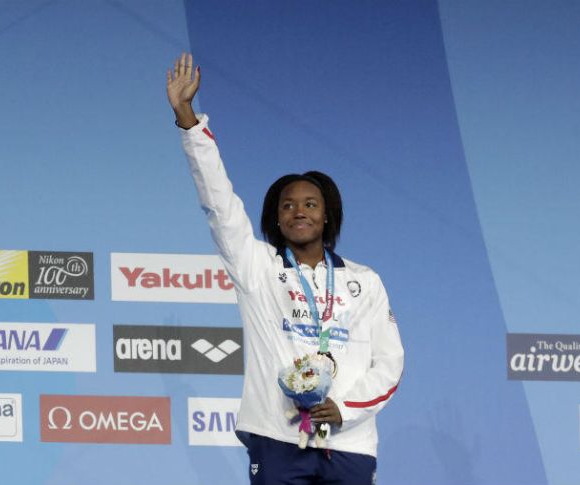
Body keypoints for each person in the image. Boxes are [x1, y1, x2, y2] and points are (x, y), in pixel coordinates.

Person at [166, 52, 404, 485]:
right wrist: (188, 121)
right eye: (287, 205)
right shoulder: (256, 266)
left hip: (348, 441)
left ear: (327, 214)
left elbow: (389, 361)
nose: (299, 212)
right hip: (277, 435)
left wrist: (346, 409)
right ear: (275, 218)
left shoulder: (364, 282)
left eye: (310, 204)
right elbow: (219, 204)